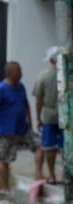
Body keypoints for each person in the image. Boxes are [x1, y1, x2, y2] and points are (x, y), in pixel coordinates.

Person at [0, 61, 32, 191]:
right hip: (5, 132)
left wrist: (30, 121)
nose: (21, 73)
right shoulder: (0, 89)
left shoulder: (21, 87)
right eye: (19, 71)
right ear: (11, 73)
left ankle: (39, 174)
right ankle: (5, 189)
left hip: (22, 129)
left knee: (40, 146)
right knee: (5, 160)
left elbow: (26, 104)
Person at [33, 47, 63, 184]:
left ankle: (52, 175)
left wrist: (38, 118)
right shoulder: (69, 75)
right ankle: (66, 175)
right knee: (66, 147)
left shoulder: (43, 77)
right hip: (67, 118)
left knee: (50, 147)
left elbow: (39, 100)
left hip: (49, 117)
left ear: (51, 60)